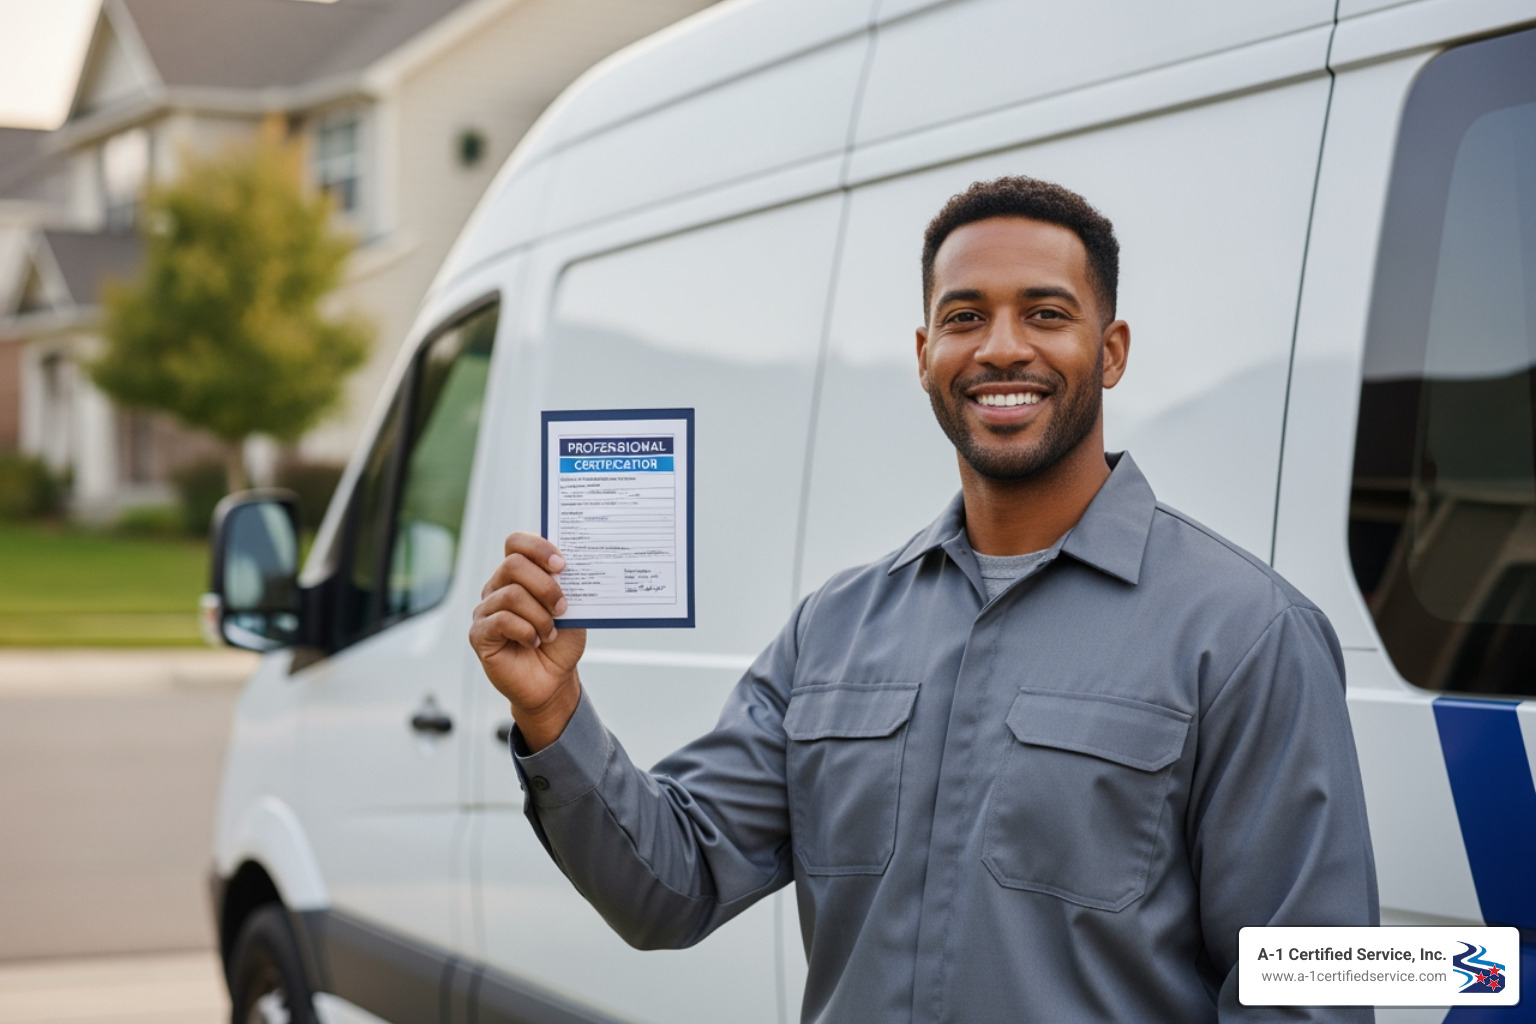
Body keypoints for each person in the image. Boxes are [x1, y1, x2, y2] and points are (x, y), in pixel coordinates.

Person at [469, 176, 1378, 1022]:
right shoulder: (834, 628)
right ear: (925, 353)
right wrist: (553, 712)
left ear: (1111, 351)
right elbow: (669, 890)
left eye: (1047, 313)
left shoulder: (1250, 635)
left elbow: (1311, 989)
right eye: (965, 316)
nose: (1001, 347)